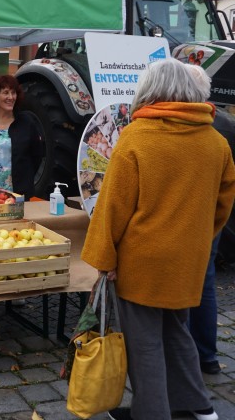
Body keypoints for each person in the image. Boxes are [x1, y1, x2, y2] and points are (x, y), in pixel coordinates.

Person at [80, 59, 235, 420]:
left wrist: (105, 260)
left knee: (144, 342)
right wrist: (196, 237)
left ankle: (151, 413)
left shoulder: (137, 137)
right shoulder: (215, 141)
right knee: (177, 331)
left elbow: (112, 208)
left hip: (142, 262)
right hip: (187, 259)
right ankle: (197, 405)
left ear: (151, 90)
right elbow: (224, 204)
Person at [187, 64, 235, 376]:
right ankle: (206, 355)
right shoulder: (227, 124)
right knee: (205, 280)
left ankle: (187, 354)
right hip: (213, 215)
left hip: (190, 216)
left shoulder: (191, 126)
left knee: (189, 282)